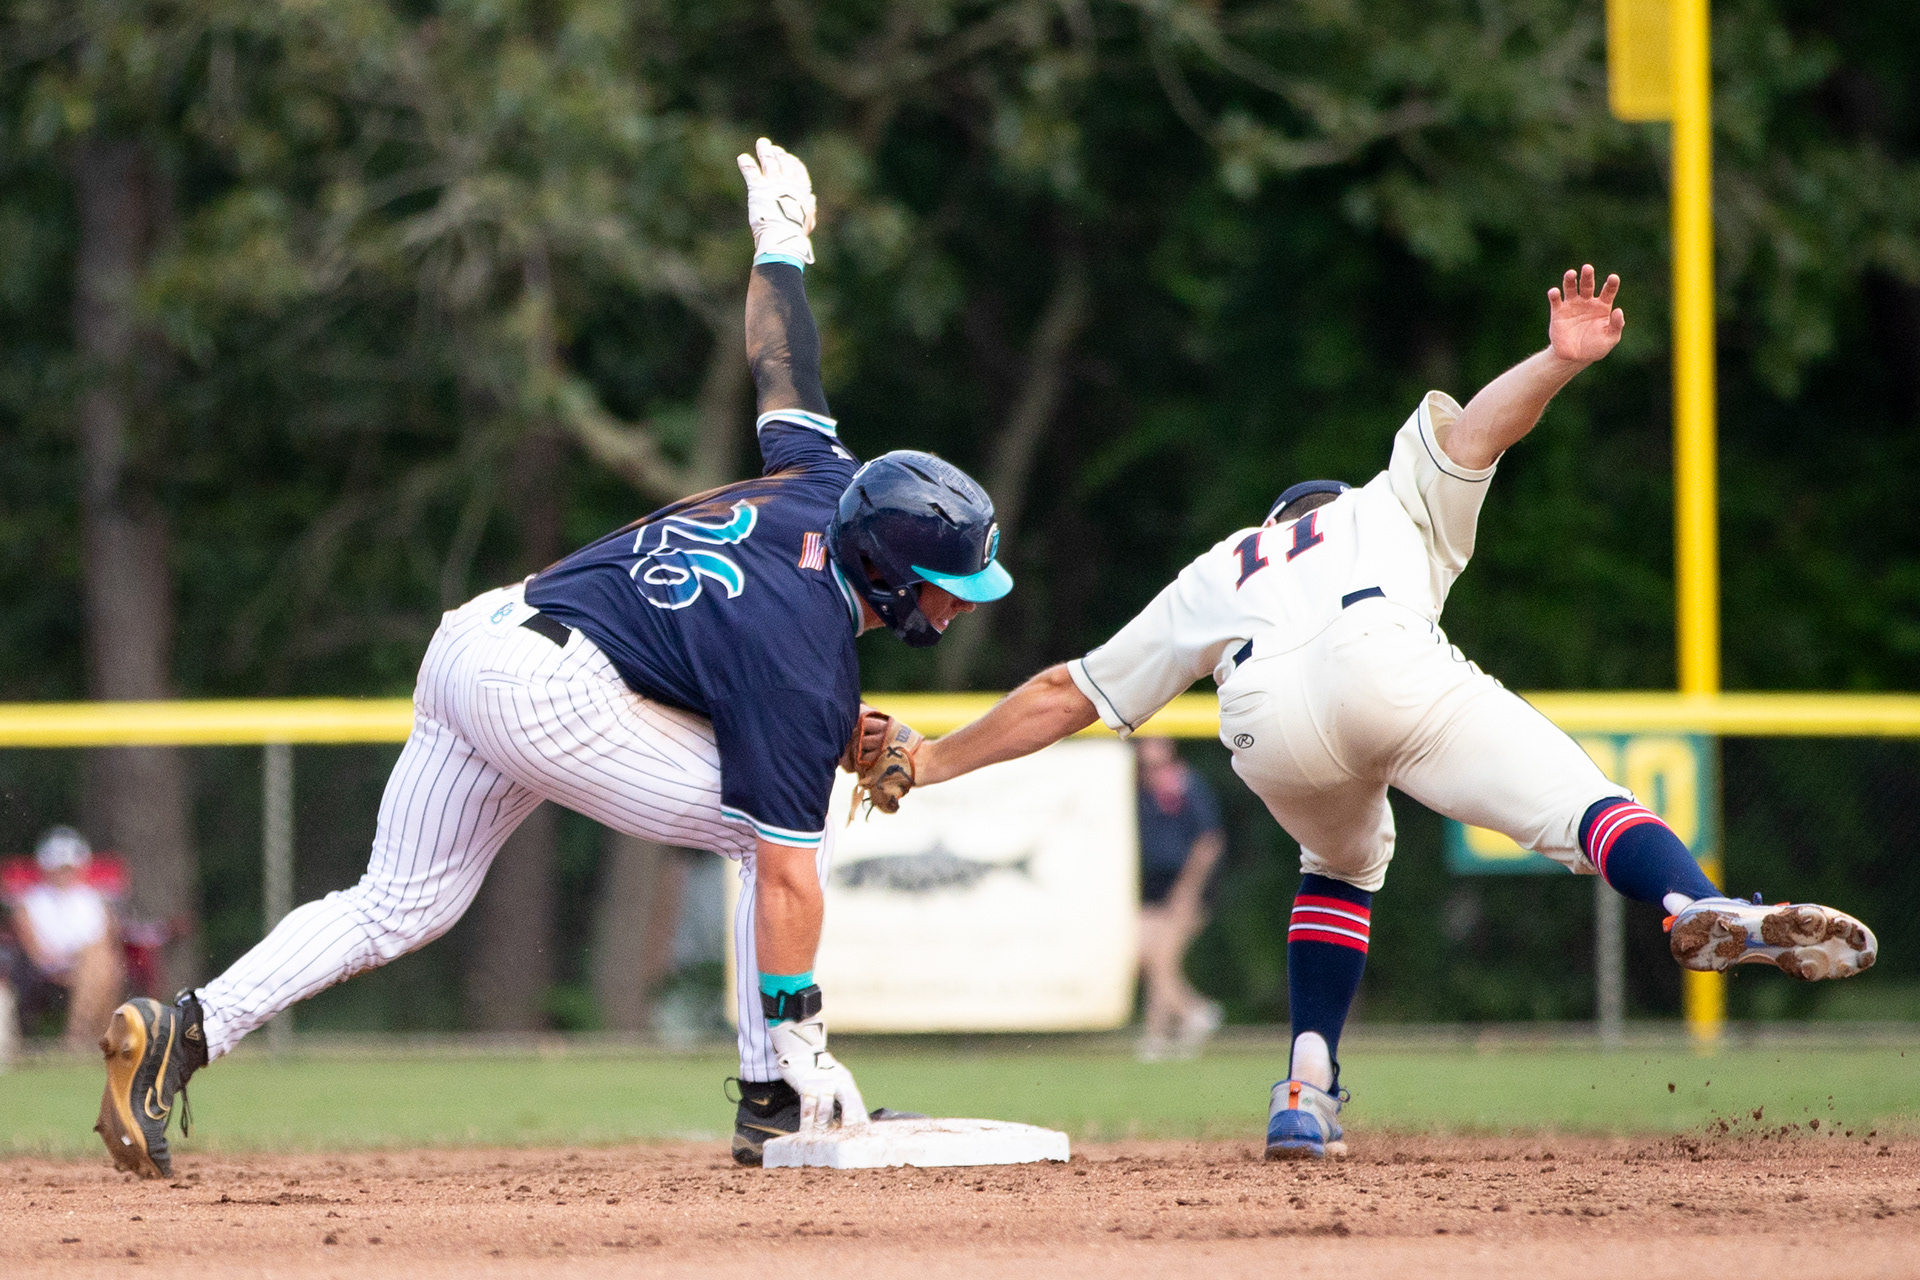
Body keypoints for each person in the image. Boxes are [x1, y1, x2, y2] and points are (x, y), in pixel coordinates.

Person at [94, 139, 1014, 1179]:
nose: (954, 601)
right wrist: (803, 1016)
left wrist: (782, 240)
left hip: (479, 641)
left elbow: (782, 363)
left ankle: (182, 1028)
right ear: (889, 567)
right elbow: (791, 867)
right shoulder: (805, 650)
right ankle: (780, 1091)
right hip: (553, 689)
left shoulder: (821, 476)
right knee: (770, 843)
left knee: (398, 903)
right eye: (946, 581)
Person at [888, 265, 1878, 1160]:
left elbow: (1069, 690)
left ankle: (1304, 1085)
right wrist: (1558, 357)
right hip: (1385, 661)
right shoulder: (1382, 501)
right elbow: (1479, 429)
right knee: (1584, 804)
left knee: (1342, 863)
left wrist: (930, 759)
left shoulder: (1222, 564)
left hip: (1263, 722)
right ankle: (1691, 902)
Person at [1132, 738, 1224, 1060]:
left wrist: (1187, 891)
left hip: (1186, 889)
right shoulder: (1139, 792)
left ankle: (1163, 1031)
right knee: (1148, 957)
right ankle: (1189, 1016)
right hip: (1153, 891)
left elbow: (1209, 842)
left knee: (1162, 958)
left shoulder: (1187, 787)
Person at [3, 827, 126, 1055]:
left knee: (98, 962)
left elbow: (106, 942)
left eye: (68, 868)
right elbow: (34, 949)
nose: (64, 874)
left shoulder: (93, 899)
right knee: (100, 965)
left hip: (89, 965)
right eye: (58, 869)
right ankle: (86, 1039)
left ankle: (77, 1039)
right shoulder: (30, 902)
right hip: (49, 966)